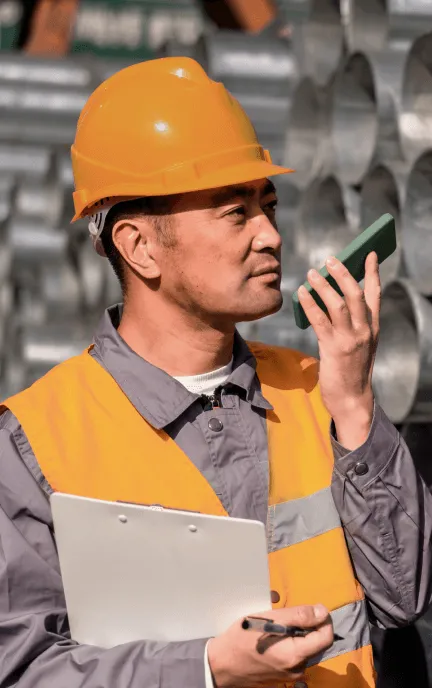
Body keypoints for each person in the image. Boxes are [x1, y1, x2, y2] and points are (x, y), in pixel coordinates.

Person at [0, 57, 431, 688]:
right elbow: (22, 669)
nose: (270, 235)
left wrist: (358, 409)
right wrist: (206, 669)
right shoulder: (34, 442)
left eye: (269, 204)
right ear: (139, 245)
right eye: (235, 211)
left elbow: (405, 598)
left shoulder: (322, 390)